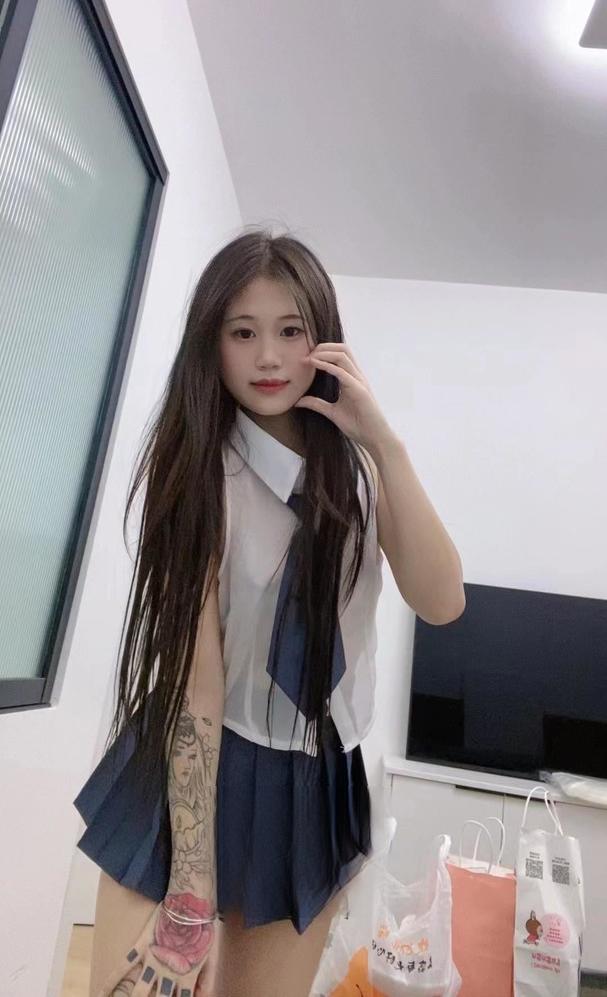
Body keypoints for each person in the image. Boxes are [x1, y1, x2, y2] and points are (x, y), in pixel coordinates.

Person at [73, 227, 465, 997]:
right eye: (242, 332)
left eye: (291, 331)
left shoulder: (359, 473)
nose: (268, 358)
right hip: (196, 756)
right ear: (211, 342)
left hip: (311, 781)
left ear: (324, 339)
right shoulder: (197, 469)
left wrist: (383, 442)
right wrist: (191, 889)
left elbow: (442, 601)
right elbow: (197, 681)